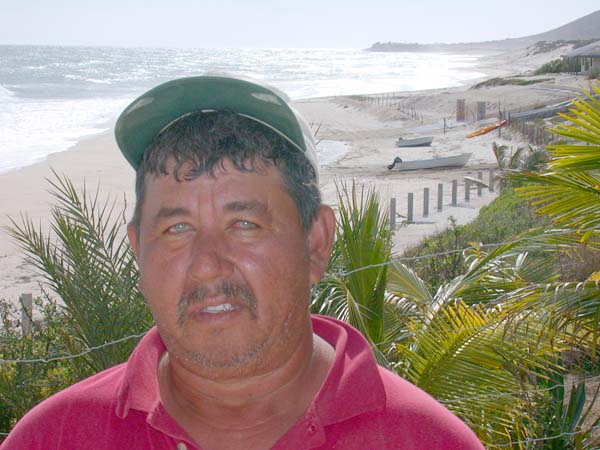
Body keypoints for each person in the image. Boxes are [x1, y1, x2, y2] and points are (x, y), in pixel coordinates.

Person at [0, 75, 485, 450]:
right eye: (176, 229)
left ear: (316, 242)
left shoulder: (425, 440)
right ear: (137, 253)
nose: (208, 266)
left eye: (245, 225)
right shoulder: (55, 437)